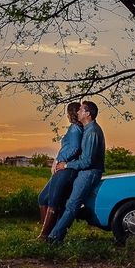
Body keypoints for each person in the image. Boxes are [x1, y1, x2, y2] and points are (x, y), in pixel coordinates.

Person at [47, 100, 105, 243]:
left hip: (89, 173)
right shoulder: (87, 129)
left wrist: (66, 165)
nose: (77, 112)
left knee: (72, 204)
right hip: (84, 171)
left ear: (87, 114)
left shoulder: (92, 132)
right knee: (69, 203)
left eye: (81, 110)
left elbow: (87, 161)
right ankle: (83, 214)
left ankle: (53, 239)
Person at [36, 102, 83, 239]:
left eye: (68, 113)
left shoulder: (75, 128)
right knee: (43, 198)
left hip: (66, 170)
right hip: (63, 169)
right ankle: (48, 232)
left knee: (53, 203)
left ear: (70, 113)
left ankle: (45, 236)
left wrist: (59, 160)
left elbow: (74, 148)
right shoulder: (76, 128)